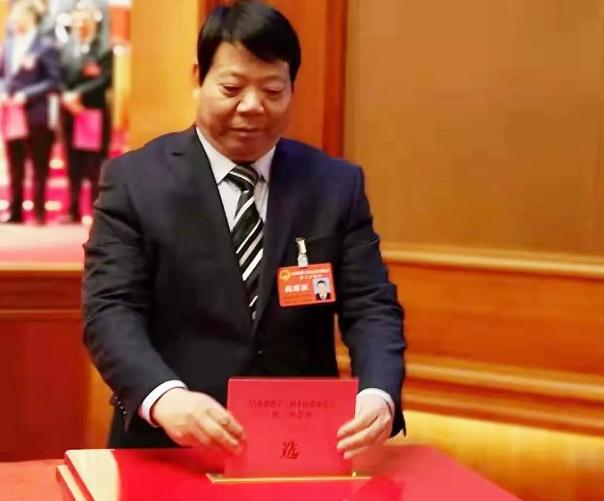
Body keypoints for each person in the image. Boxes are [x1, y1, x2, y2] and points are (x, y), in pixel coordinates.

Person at [83, 1, 406, 460]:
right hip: (170, 447)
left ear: (292, 88)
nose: (252, 107)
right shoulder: (135, 182)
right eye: (232, 88)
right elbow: (110, 310)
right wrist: (165, 397)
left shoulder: (335, 185)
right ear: (198, 78)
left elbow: (371, 305)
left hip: (300, 452)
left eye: (272, 90)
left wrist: (378, 394)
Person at [0, 0, 60, 225]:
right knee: (15, 164)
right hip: (12, 114)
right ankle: (15, 210)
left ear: (30, 17)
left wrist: (27, 94)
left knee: (38, 164)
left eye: (18, 15)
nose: (13, 20)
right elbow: (2, 75)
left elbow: (53, 81)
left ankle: (38, 211)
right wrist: (3, 91)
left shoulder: (46, 46)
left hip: (36, 113)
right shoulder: (8, 44)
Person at [58, 0, 112, 223]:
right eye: (77, 20)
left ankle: (95, 209)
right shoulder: (65, 49)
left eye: (84, 20)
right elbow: (57, 76)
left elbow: (105, 79)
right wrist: (66, 96)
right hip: (70, 112)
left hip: (93, 111)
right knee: (73, 161)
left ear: (93, 22)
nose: (80, 24)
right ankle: (72, 209)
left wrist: (78, 94)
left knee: (94, 164)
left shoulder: (103, 49)